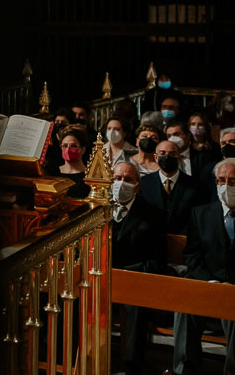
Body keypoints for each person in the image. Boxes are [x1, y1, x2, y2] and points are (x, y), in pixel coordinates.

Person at [171, 158, 235, 375]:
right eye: (222, 180)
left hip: (234, 288)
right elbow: (192, 255)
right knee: (187, 298)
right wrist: (211, 283)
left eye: (233, 181)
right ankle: (184, 369)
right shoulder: (201, 213)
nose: (226, 186)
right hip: (208, 283)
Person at [110, 160, 167, 375]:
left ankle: (130, 366)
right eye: (117, 178)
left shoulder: (154, 214)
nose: (121, 183)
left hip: (135, 280)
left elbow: (157, 260)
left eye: (127, 179)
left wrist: (131, 275)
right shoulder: (97, 209)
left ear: (137, 185)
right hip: (101, 277)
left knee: (136, 306)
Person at [137, 139, 204, 235]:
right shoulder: (143, 183)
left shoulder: (195, 185)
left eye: (172, 154)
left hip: (185, 240)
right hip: (152, 240)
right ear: (156, 157)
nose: (167, 157)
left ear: (179, 158)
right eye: (162, 153)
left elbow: (198, 216)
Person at [51, 127, 90, 199]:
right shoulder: (53, 173)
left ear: (83, 150)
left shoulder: (90, 175)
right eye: (65, 146)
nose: (68, 149)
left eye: (73, 146)